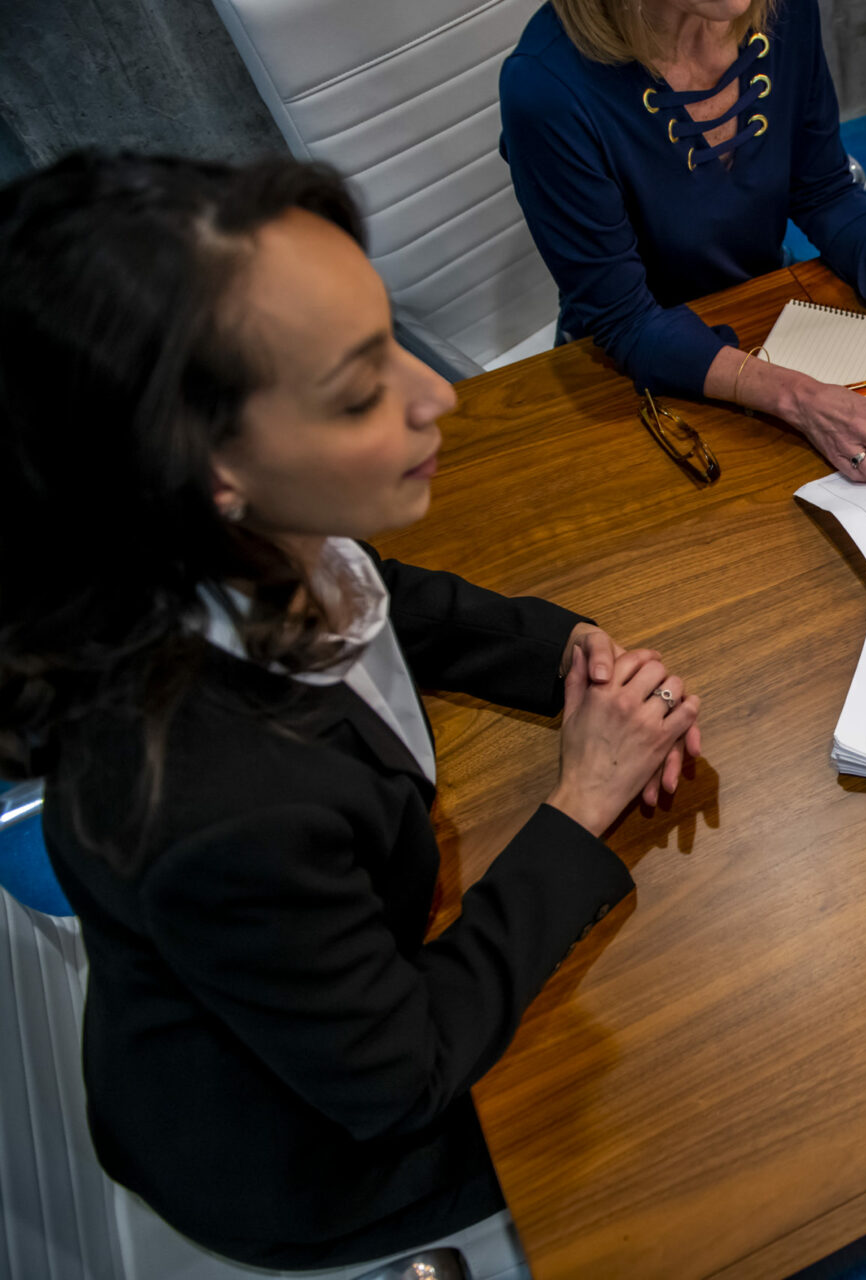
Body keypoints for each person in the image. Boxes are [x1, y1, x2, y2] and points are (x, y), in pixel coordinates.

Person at [0, 152, 703, 1272]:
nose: (440, 394)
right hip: (317, 1144)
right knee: (705, 1071)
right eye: (362, 386)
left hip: (314, 987)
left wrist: (573, 654)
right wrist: (581, 800)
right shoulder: (215, 803)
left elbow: (387, 600)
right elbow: (402, 1068)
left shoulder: (233, 542)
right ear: (209, 468)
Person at [499, 0, 866, 484]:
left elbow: (824, 193)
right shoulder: (546, 86)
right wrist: (800, 399)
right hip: (635, 373)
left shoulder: (782, 10)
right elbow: (625, 320)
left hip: (766, 316)